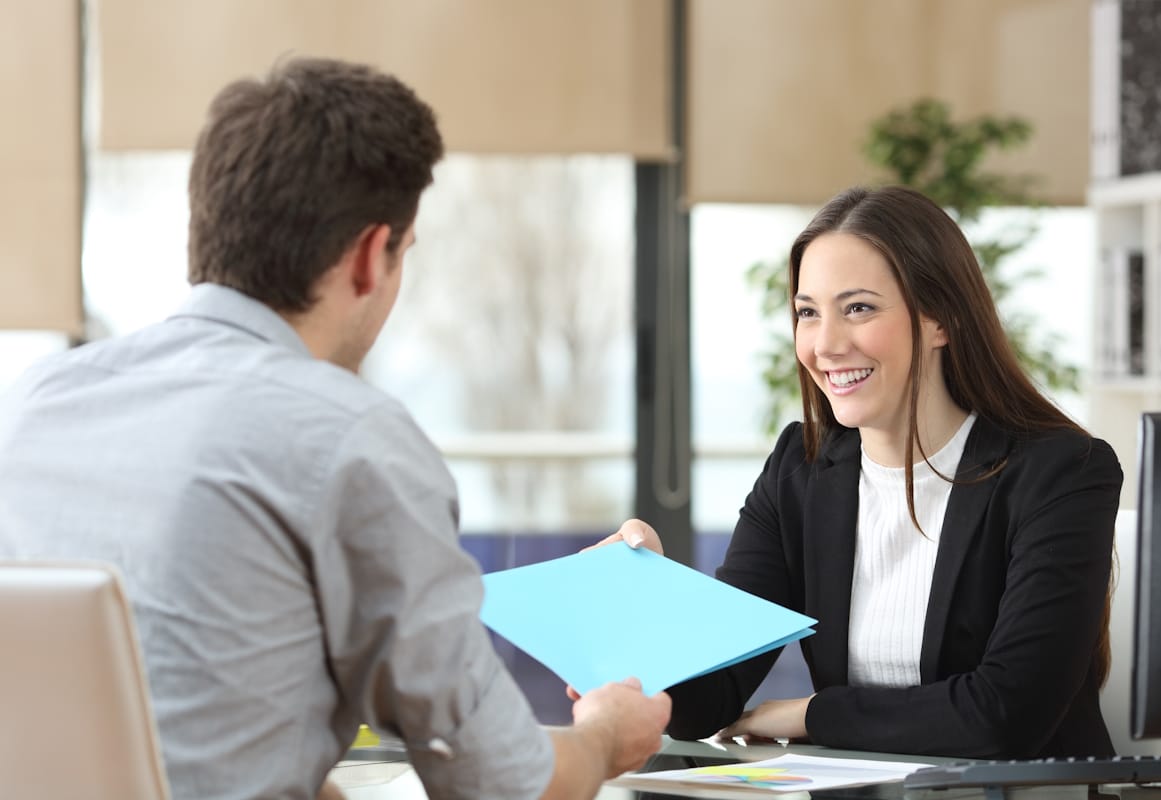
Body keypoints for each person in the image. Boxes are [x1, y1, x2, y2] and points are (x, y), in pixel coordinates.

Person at [0, 57, 670, 799]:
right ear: (366, 257)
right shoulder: (350, 437)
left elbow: (173, 732)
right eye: (402, 256)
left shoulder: (36, 404)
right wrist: (606, 732)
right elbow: (504, 785)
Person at [596, 185, 1121, 759]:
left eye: (859, 308)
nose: (825, 344)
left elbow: (1004, 715)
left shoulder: (1061, 473)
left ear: (941, 319)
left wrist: (813, 715)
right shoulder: (800, 471)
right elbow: (705, 704)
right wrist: (639, 601)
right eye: (807, 313)